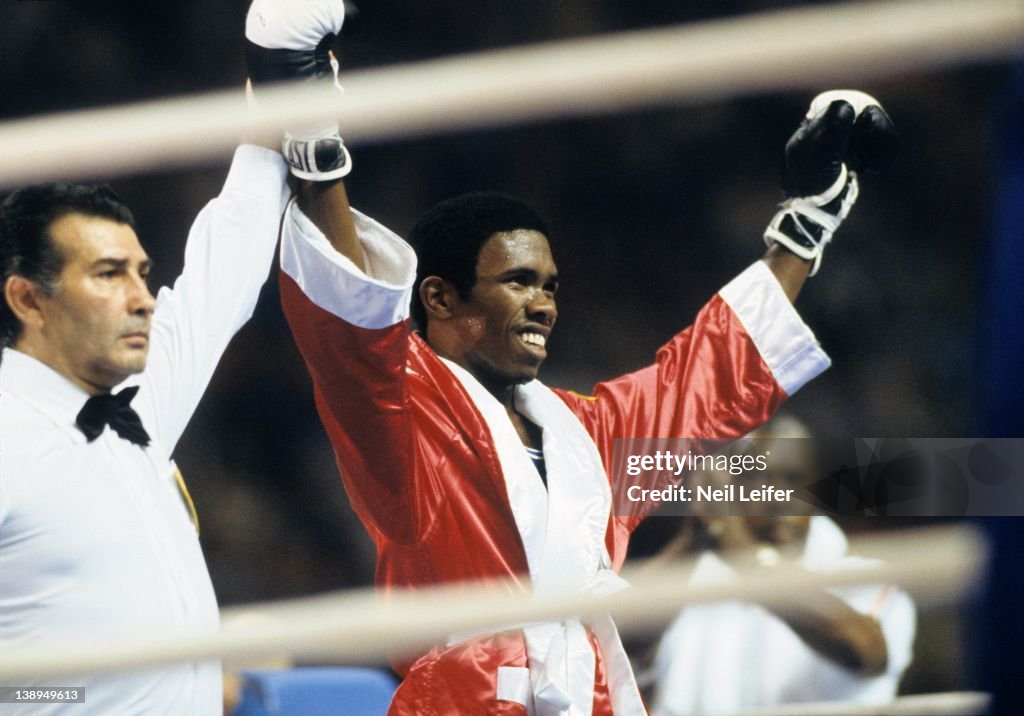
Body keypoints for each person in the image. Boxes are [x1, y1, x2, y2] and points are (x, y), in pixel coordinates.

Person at [245, 1, 898, 713]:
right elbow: (350, 317)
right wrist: (305, 110)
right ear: (440, 298)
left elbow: (706, 374)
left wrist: (808, 220)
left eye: (551, 285)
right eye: (518, 281)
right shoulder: (405, 411)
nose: (545, 303)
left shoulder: (587, 433)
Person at [0, 108, 289, 710]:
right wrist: (72, 694)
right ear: (28, 298)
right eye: (109, 275)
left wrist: (276, 95)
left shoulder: (135, 404)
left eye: (142, 273)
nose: (142, 299)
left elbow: (226, 267)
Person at [642, 415, 917, 715]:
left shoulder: (862, 574)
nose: (777, 496)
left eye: (794, 479)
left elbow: (865, 650)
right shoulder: (694, 577)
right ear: (733, 488)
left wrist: (739, 548)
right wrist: (695, 537)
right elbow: (612, 642)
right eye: (759, 478)